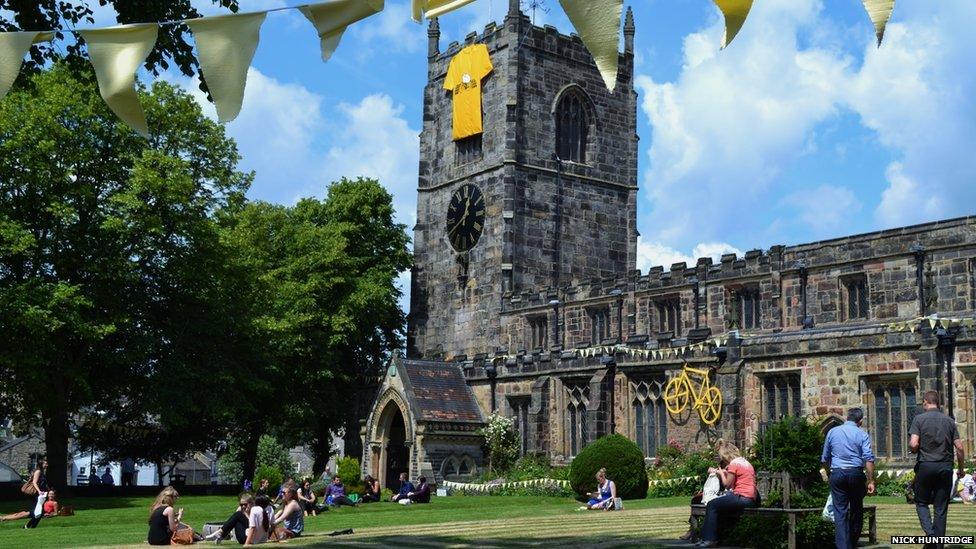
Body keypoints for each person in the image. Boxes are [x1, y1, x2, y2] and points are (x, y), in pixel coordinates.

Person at [908, 390, 966, 549]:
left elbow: (913, 444)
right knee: (941, 507)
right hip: (945, 466)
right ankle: (938, 545)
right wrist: (961, 469)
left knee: (921, 502)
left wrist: (914, 450)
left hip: (925, 466)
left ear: (926, 402)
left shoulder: (919, 419)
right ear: (938, 403)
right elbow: (960, 448)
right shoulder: (949, 421)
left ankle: (931, 534)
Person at [821, 407, 876, 549]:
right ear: (861, 421)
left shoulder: (832, 432)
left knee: (840, 512)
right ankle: (851, 542)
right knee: (857, 510)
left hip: (837, 473)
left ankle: (843, 546)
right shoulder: (862, 434)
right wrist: (870, 480)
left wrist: (829, 473)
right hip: (855, 473)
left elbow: (825, 458)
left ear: (847, 417)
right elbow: (869, 459)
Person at [697, 440, 758, 548]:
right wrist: (722, 472)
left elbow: (727, 485)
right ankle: (707, 537)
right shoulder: (745, 462)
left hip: (742, 498)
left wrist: (720, 473)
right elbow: (736, 476)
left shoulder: (734, 464)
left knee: (712, 504)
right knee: (719, 505)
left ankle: (710, 539)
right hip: (751, 498)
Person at [24, 457, 49, 529]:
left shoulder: (42, 471)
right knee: (39, 512)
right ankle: (28, 526)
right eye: (45, 464)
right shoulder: (38, 471)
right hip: (37, 495)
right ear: (41, 464)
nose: (47, 465)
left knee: (40, 512)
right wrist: (39, 491)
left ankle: (30, 526)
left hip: (42, 494)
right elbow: (34, 482)